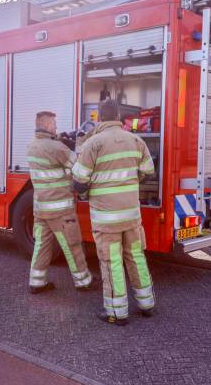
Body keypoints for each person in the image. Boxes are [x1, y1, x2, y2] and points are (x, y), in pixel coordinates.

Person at [72, 99, 156, 325]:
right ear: (118, 116)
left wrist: (88, 188)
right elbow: (149, 172)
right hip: (131, 216)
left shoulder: (93, 144)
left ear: (99, 117)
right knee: (136, 256)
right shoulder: (136, 140)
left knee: (112, 262)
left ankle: (117, 312)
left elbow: (79, 182)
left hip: (106, 218)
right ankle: (146, 303)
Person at [26, 111, 92, 294]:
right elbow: (79, 167)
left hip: (40, 208)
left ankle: (37, 282)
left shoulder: (32, 145)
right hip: (60, 208)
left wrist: (61, 142)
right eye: (54, 124)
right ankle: (83, 281)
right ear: (47, 125)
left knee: (42, 245)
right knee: (72, 244)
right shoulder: (56, 148)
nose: (56, 127)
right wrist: (78, 144)